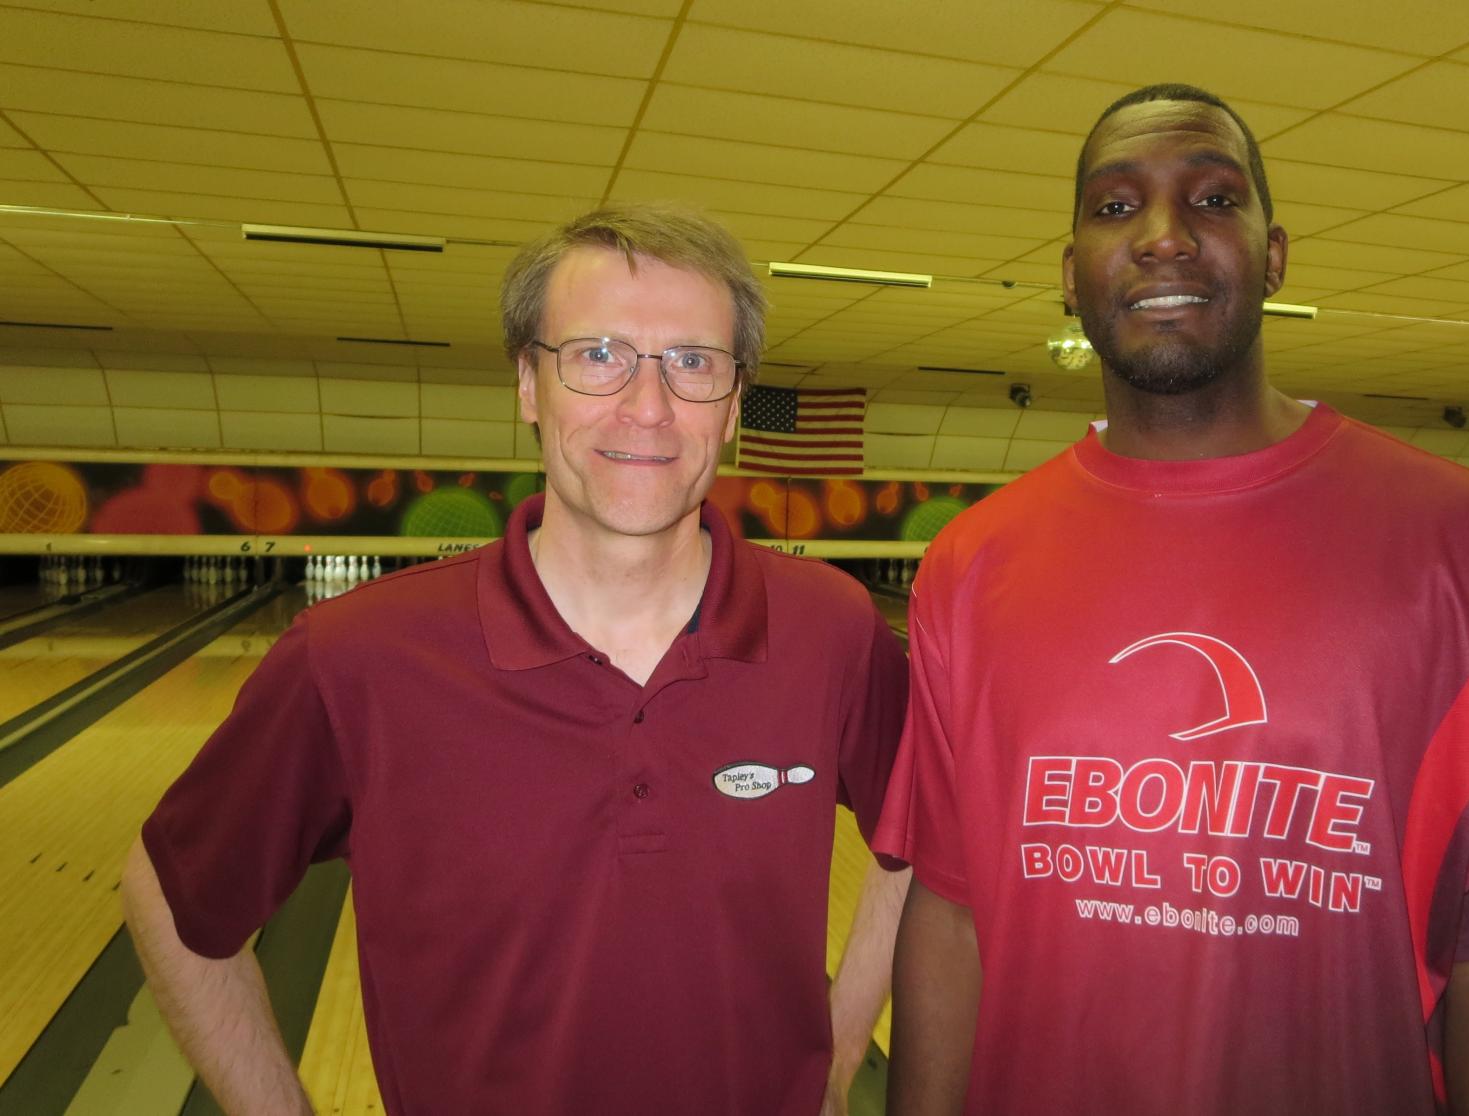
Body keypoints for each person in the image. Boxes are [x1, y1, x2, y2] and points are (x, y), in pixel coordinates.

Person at [876, 83, 1469, 1116]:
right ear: (1070, 276)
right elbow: (950, 912)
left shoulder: (1464, 541)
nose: (1165, 237)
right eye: (1117, 206)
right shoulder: (971, 562)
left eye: (1213, 197)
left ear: (1275, 252)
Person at [122, 204, 910, 1116]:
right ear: (529, 384)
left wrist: (843, 1043)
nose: (647, 408)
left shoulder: (832, 629)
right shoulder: (356, 659)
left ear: (735, 405)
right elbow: (168, 892)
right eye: (598, 354)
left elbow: (921, 838)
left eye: (693, 363)